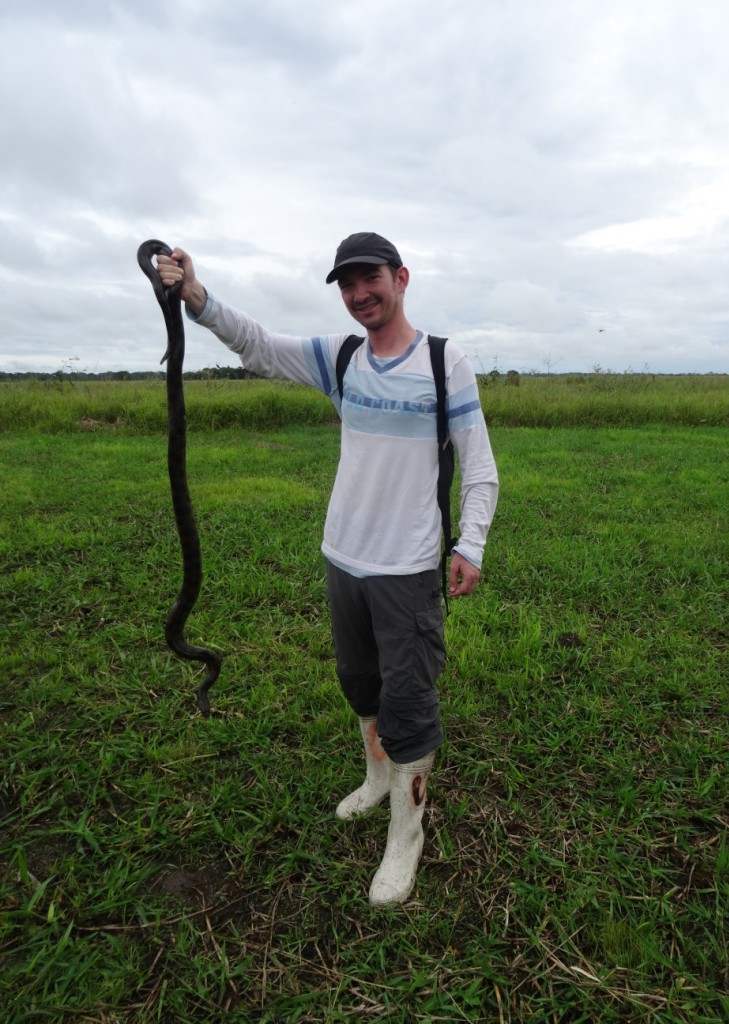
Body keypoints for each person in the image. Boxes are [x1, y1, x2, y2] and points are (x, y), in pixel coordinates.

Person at [157, 232, 498, 906]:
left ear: (400, 277)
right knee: (359, 684)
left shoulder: (441, 361)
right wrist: (195, 295)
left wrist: (472, 543)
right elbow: (257, 344)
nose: (358, 295)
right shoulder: (340, 357)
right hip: (343, 557)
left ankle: (406, 835)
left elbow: (479, 461)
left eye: (369, 279)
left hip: (407, 570)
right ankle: (376, 778)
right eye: (346, 285)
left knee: (409, 703)